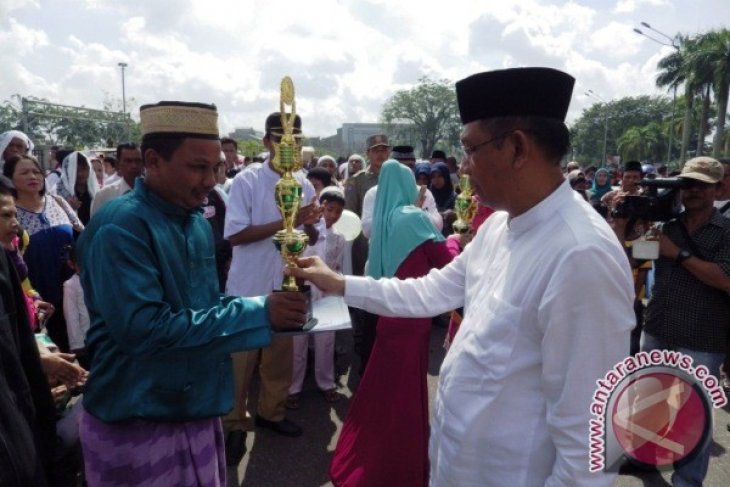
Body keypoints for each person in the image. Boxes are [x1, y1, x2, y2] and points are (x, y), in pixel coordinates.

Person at [289, 67, 635, 486]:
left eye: (470, 150)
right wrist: (341, 284)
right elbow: (431, 291)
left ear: (518, 148)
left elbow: (589, 447)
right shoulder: (499, 226)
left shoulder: (582, 254)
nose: (463, 168)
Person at [75, 101, 308, 486]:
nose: (210, 181)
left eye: (215, 168)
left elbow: (204, 305)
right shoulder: (121, 228)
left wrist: (265, 307)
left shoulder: (194, 222)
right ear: (153, 160)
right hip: (138, 417)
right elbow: (146, 330)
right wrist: (259, 313)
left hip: (194, 407)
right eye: (198, 167)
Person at [329, 160, 454, 486]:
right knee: (403, 397)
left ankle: (378, 454)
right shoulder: (413, 217)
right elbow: (447, 261)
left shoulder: (384, 219)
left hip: (387, 315)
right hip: (413, 318)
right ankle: (397, 463)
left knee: (385, 393)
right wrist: (459, 240)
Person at [223, 111, 320, 452]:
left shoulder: (305, 182)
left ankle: (271, 413)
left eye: (294, 141)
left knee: (278, 358)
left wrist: (308, 222)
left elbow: (311, 236)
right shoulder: (246, 180)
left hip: (285, 283)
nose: (287, 147)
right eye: (281, 140)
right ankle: (234, 423)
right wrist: (287, 220)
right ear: (267, 142)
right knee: (241, 364)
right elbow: (234, 234)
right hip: (248, 288)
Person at [641, 156, 730, 487]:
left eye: (701, 185)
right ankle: (647, 461)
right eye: (686, 184)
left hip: (702, 338)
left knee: (694, 417)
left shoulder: (725, 230)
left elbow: (726, 278)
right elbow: (637, 256)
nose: (692, 191)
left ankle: (687, 482)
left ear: (717, 189)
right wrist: (628, 222)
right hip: (658, 328)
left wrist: (677, 253)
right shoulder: (666, 226)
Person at [4, 154, 83, 352]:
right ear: (10, 178)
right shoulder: (9, 213)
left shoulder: (58, 202)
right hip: (38, 296)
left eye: (37, 172)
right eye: (24, 172)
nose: (33, 176)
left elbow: (83, 233)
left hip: (73, 289)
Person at [287, 187, 346, 410]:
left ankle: (326, 382)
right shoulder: (301, 230)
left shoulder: (340, 237)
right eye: (329, 209)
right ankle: (293, 387)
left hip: (327, 290)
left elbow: (337, 266)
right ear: (320, 207)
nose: (332, 215)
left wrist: (340, 289)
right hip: (303, 288)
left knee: (326, 339)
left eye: (338, 212)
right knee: (298, 340)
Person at [90, 143, 143, 217]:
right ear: (118, 164)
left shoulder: (154, 194)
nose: (134, 166)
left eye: (138, 161)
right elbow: (95, 226)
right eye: (128, 161)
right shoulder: (104, 195)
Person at [62, 244, 90, 369]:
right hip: (87, 339)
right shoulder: (71, 285)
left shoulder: (99, 276)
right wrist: (77, 344)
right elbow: (71, 315)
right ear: (71, 264)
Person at [54, 151, 100, 225]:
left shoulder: (94, 190)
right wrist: (69, 209)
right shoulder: (59, 192)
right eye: (76, 170)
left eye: (84, 169)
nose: (80, 174)